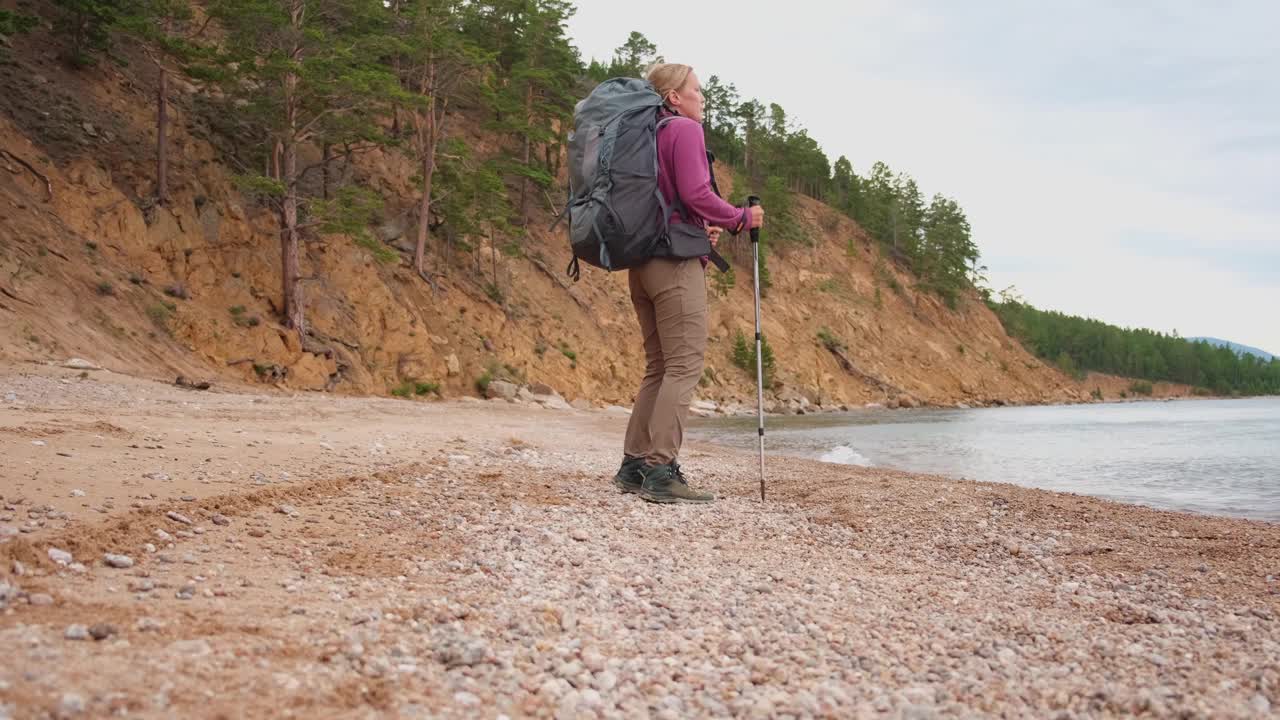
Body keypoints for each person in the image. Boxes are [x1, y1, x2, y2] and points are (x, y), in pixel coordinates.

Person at [612, 63, 765, 504]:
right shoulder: (683, 130)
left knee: (658, 366)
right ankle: (661, 471)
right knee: (682, 367)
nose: (703, 97)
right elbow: (697, 193)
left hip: (640, 263)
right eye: (696, 90)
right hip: (674, 266)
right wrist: (740, 218)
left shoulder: (646, 135)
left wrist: (700, 229)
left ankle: (634, 466)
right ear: (674, 97)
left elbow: (674, 201)